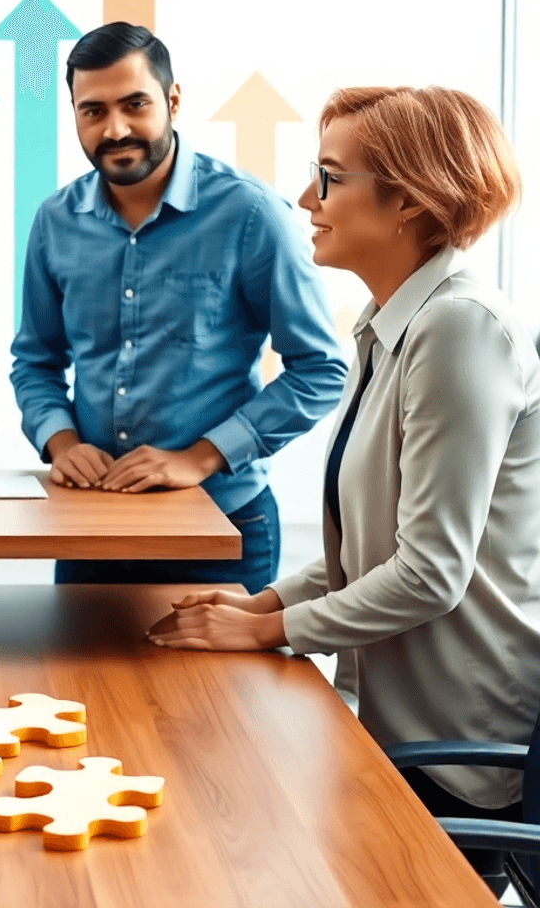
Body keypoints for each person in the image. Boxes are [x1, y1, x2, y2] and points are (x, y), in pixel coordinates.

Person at [149, 85, 539, 893]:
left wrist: (272, 632)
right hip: (396, 726)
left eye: (329, 177)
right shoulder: (389, 324)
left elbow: (429, 571)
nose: (304, 199)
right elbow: (368, 545)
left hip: (457, 751)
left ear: (408, 201)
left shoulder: (460, 330)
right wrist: (260, 608)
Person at [11, 22, 346, 593]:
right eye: (92, 111)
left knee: (211, 689)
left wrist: (203, 455)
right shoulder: (55, 221)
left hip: (219, 525)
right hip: (90, 524)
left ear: (172, 100)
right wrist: (61, 442)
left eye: (134, 104)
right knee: (72, 684)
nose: (114, 129)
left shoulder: (250, 214)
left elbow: (320, 370)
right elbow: (34, 362)